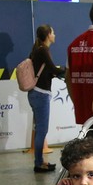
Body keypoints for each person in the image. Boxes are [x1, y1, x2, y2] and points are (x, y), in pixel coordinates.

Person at [26, 24, 66, 173]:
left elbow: (46, 71)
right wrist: (66, 70)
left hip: (35, 93)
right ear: (48, 34)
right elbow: (52, 69)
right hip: (41, 94)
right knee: (42, 130)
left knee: (40, 129)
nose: (55, 35)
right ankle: (39, 163)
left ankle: (40, 161)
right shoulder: (43, 50)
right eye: (53, 32)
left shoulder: (37, 50)